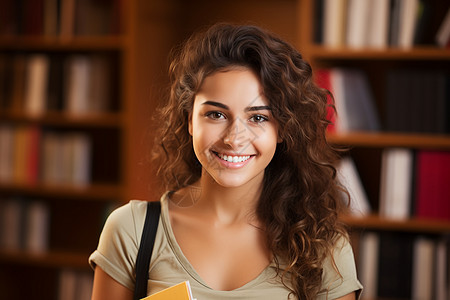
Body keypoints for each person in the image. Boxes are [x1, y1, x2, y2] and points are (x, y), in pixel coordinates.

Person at [89, 23, 363, 300]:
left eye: (258, 118)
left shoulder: (323, 246)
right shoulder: (131, 231)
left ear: (281, 130)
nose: (234, 138)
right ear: (189, 120)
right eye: (216, 115)